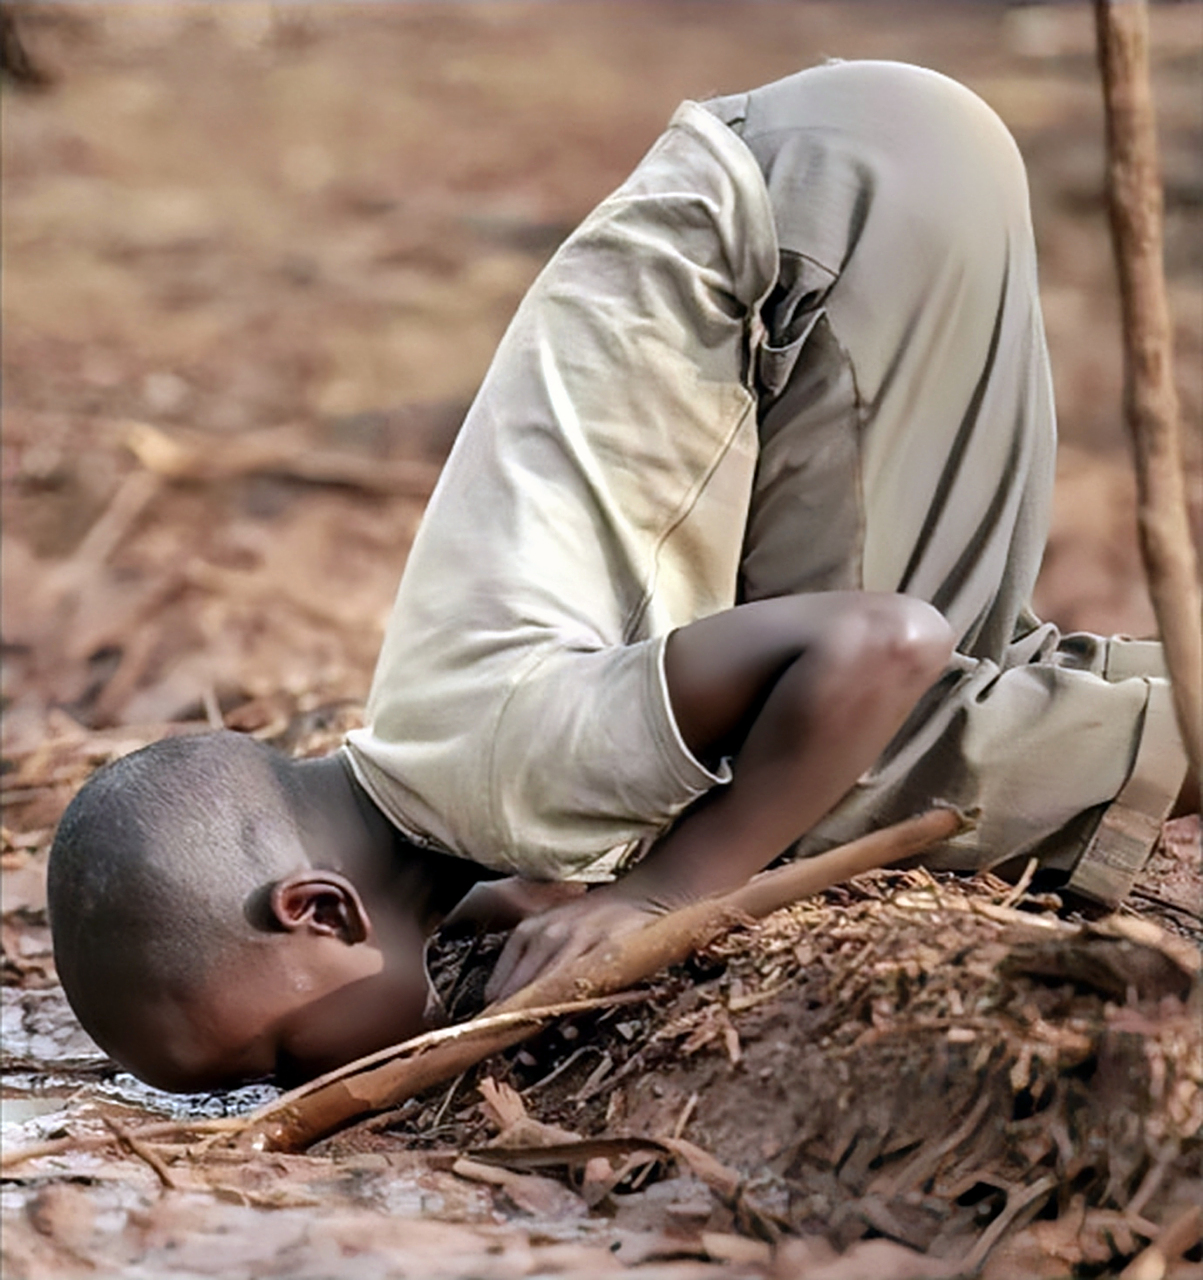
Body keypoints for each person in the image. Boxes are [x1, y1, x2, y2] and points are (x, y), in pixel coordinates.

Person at [48, 60, 1189, 1094]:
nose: (295, 1093)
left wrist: (667, 893)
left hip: (828, 226)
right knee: (916, 714)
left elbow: (879, 643)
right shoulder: (446, 762)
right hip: (847, 168)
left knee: (849, 780)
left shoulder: (505, 769)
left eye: (279, 1059)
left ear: (321, 908)